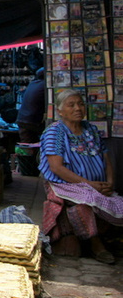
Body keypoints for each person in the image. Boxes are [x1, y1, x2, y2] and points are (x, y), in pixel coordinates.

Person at [39, 89, 123, 264]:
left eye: (81, 104)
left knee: (116, 201)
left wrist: (109, 182)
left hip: (95, 183)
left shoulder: (91, 130)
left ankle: (109, 238)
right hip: (65, 184)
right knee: (86, 200)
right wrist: (88, 184)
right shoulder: (55, 132)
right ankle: (96, 244)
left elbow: (106, 158)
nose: (78, 108)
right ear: (60, 111)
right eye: (71, 105)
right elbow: (56, 167)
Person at [16, 68, 46, 143]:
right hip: (32, 121)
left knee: (27, 146)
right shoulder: (45, 86)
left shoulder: (32, 84)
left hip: (22, 119)